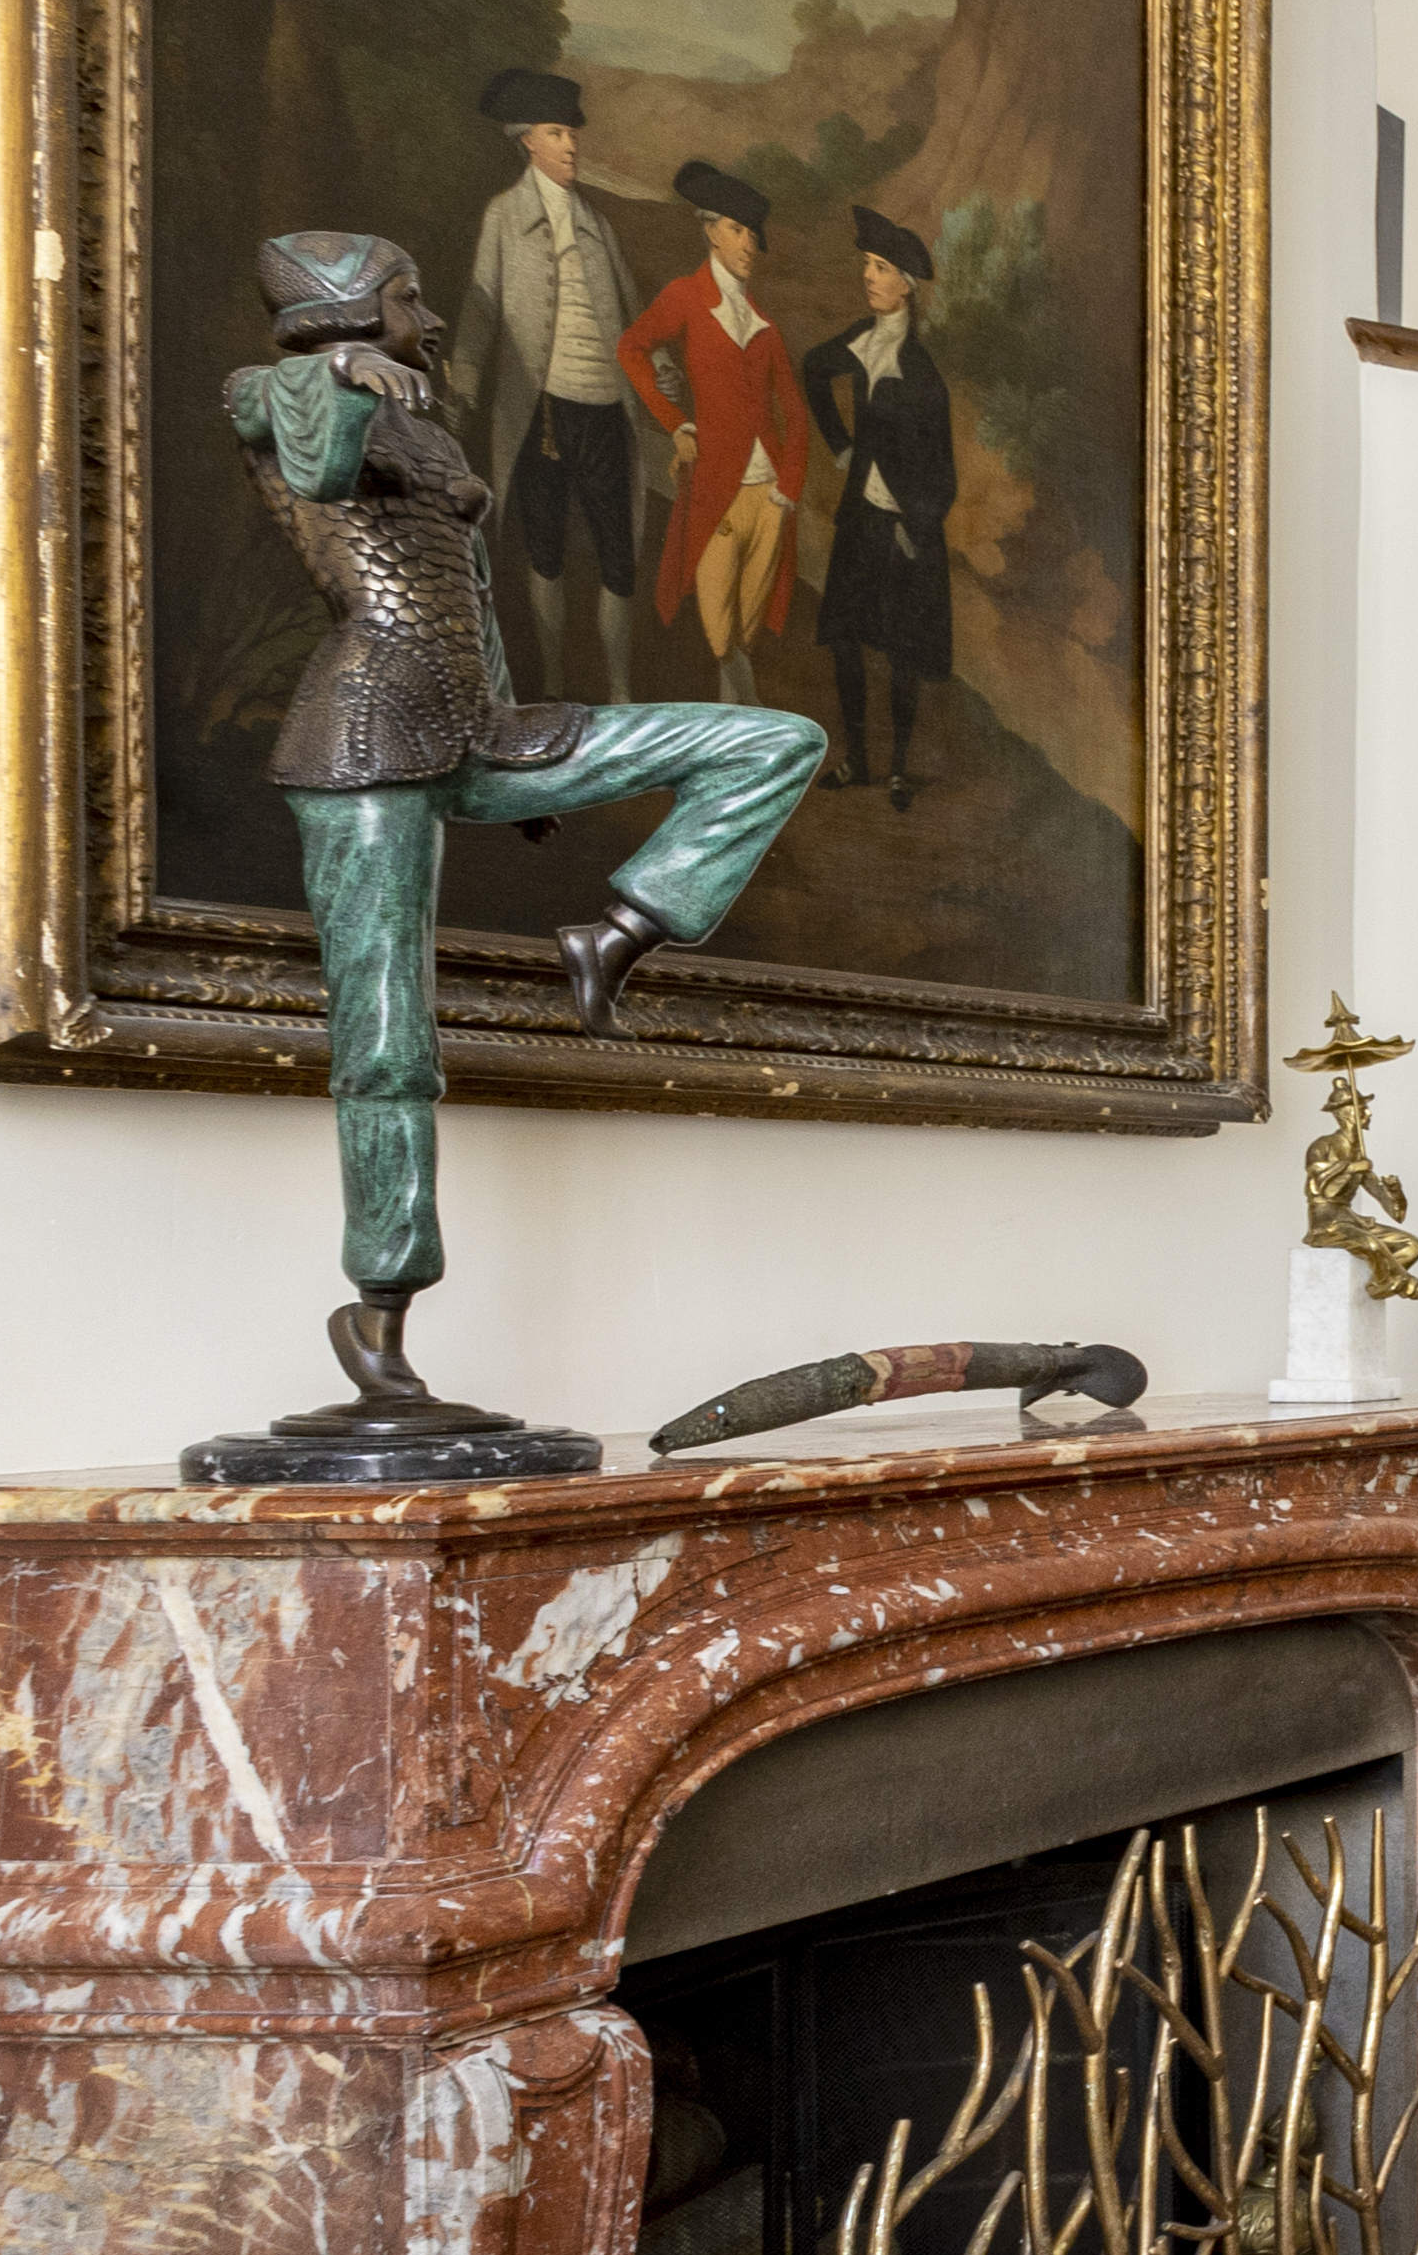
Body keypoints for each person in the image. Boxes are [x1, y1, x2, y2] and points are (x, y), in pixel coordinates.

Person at [222, 231, 823, 1426]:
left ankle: (621, 931)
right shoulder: (281, 390)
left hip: (475, 729)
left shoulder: (428, 426)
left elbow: (464, 600)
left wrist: (520, 763)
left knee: (771, 741)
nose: (429, 317)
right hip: (364, 744)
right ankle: (381, 1308)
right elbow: (314, 452)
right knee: (388, 1041)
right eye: (408, 298)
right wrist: (343, 373)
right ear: (348, 315)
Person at [445, 64, 651, 703]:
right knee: (546, 552)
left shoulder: (596, 223)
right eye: (558, 133)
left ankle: (619, 695)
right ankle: (556, 685)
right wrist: (464, 389)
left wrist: (664, 394)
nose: (571, 146)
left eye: (572, 134)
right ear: (527, 139)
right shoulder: (504, 216)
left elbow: (634, 317)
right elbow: (480, 311)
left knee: (619, 556)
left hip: (605, 409)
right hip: (541, 412)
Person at [620, 159, 813, 708]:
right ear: (709, 230)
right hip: (714, 493)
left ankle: (742, 739)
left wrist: (787, 492)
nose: (748, 244)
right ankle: (748, 731)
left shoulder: (767, 326)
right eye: (736, 229)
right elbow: (630, 349)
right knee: (720, 633)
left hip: (769, 497)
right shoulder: (684, 297)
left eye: (753, 234)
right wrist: (675, 423)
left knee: (746, 634)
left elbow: (795, 415)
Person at [800, 204, 960, 805]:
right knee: (845, 638)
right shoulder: (861, 341)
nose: (868, 276)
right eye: (866, 264)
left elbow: (942, 477)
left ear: (906, 287)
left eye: (882, 267)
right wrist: (841, 445)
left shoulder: (922, 376)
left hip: (905, 532)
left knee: (901, 654)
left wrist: (914, 527)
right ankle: (857, 759)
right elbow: (813, 371)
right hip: (860, 521)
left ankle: (896, 766)